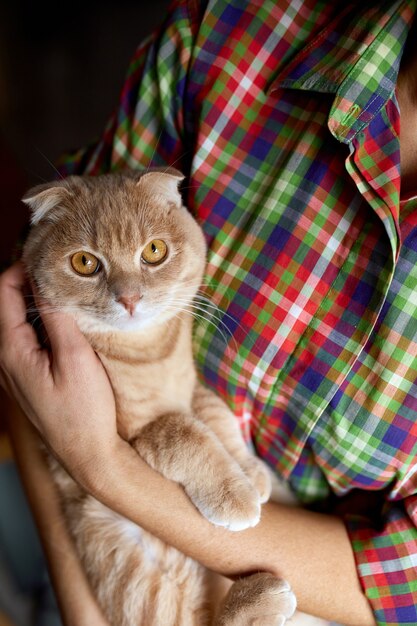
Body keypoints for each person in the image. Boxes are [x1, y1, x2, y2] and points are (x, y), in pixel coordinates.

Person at [1, 0, 417, 624]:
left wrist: (103, 465)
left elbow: (402, 582)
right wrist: (83, 607)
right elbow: (22, 341)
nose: (129, 295)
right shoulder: (223, 33)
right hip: (81, 558)